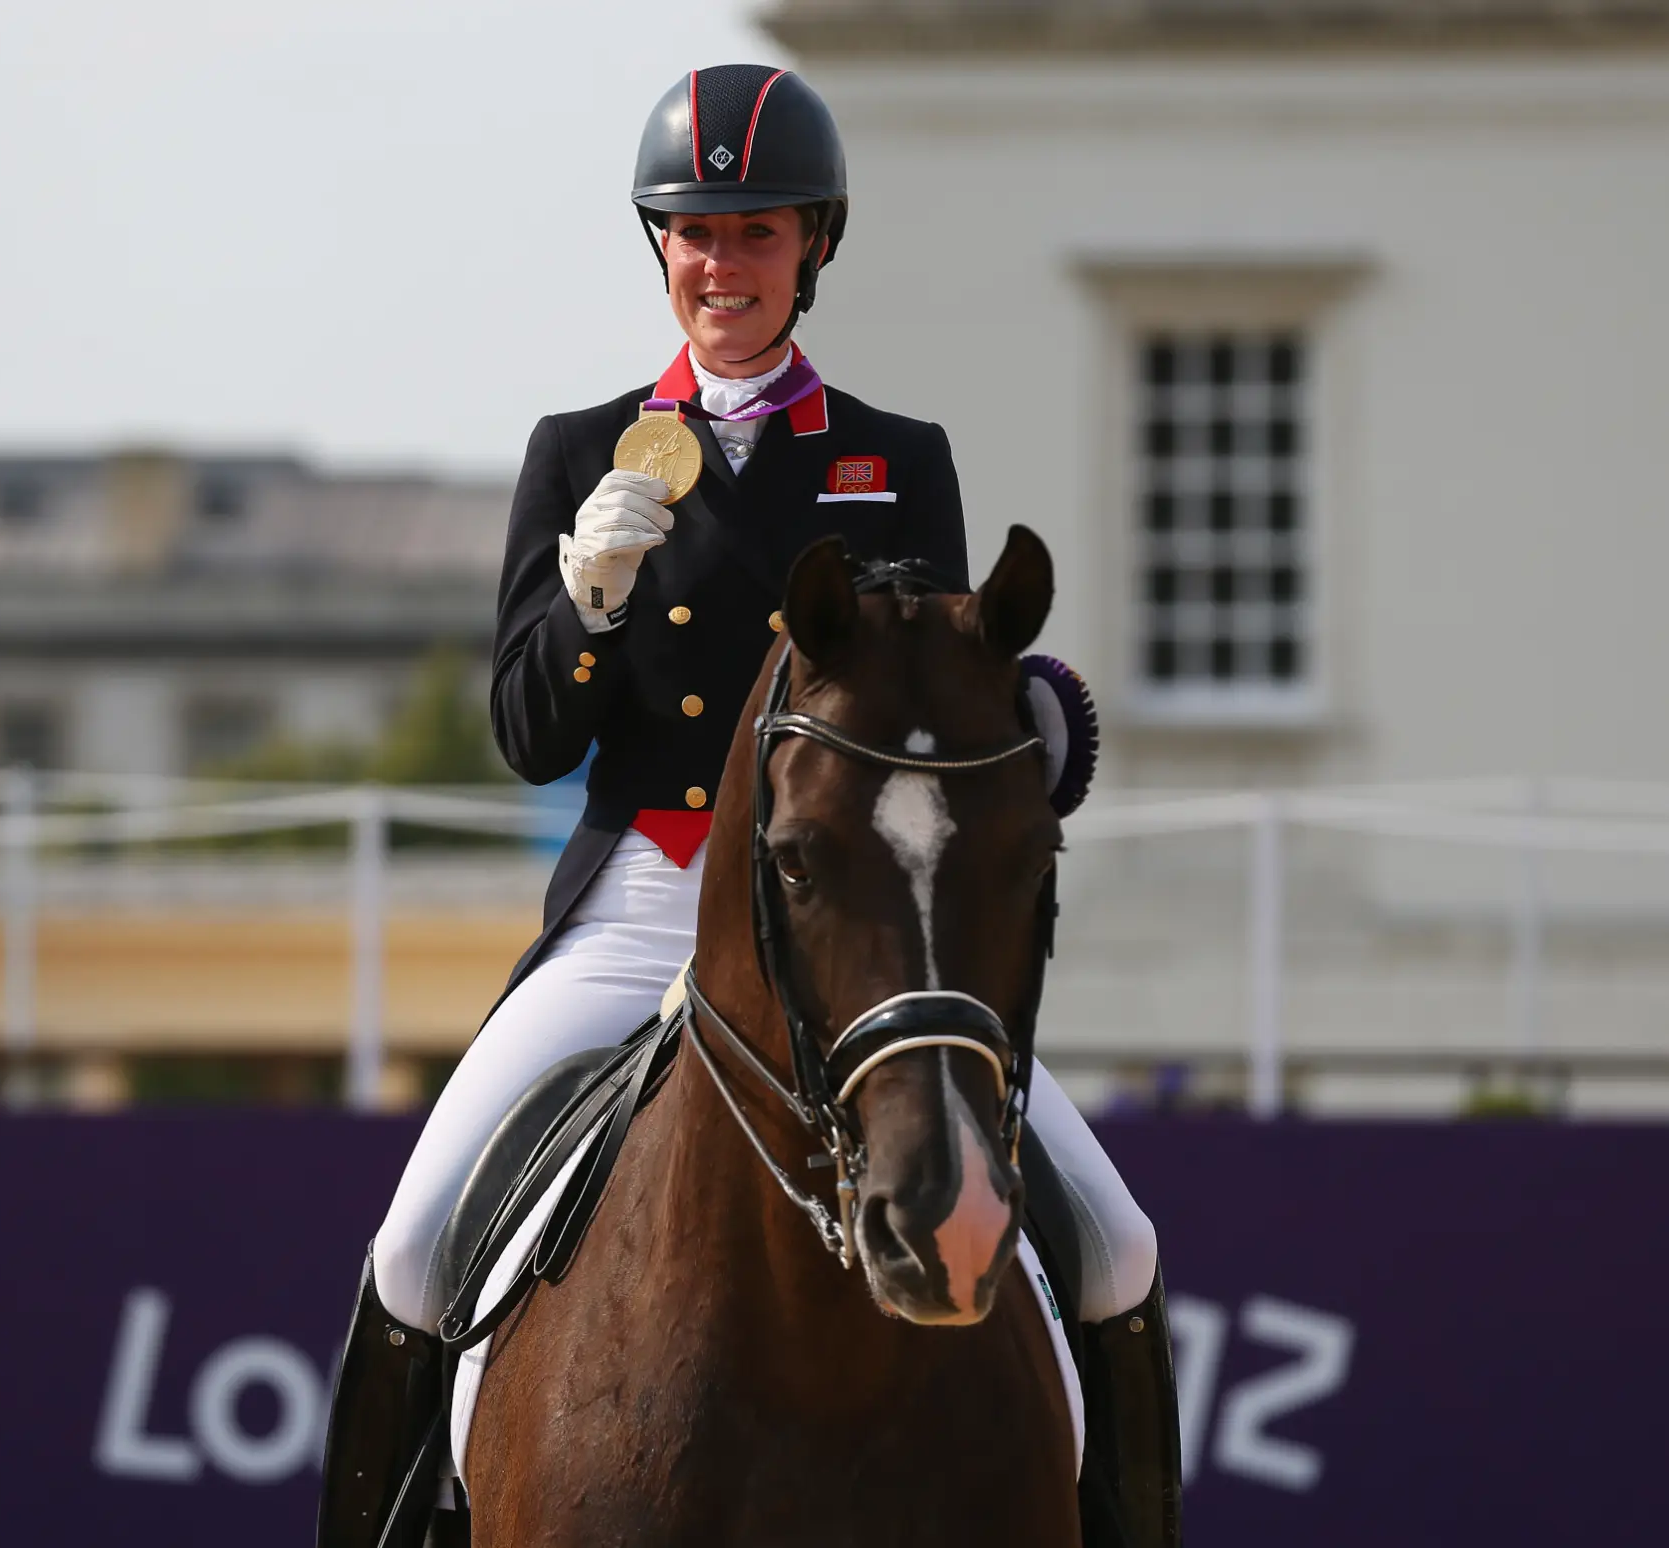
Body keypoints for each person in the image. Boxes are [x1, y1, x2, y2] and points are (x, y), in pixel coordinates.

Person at [320, 65, 1179, 1548]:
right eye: (695, 234)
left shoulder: (896, 462)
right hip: (640, 905)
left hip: (840, 924)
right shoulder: (577, 454)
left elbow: (926, 704)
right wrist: (589, 601)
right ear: (660, 246)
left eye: (758, 233)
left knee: (1116, 1249)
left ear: (815, 248)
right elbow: (530, 735)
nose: (724, 267)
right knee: (409, 1251)